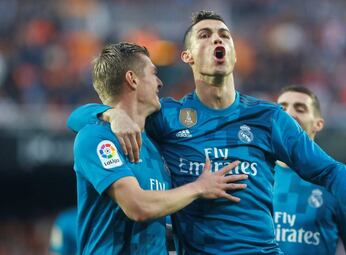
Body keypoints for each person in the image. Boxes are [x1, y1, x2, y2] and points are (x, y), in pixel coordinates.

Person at [67, 11, 346, 254]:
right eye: (205, 35)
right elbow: (80, 122)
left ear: (233, 53)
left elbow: (330, 170)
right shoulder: (166, 117)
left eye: (224, 35)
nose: (217, 39)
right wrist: (110, 113)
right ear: (188, 56)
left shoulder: (268, 118)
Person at [72, 42, 247, 254]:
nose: (160, 82)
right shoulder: (97, 137)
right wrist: (199, 188)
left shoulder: (154, 144)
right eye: (153, 73)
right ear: (132, 79)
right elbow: (138, 207)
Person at [274, 85, 346, 254]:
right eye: (282, 108)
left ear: (318, 124)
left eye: (300, 108)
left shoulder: (341, 181)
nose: (289, 114)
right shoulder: (257, 173)